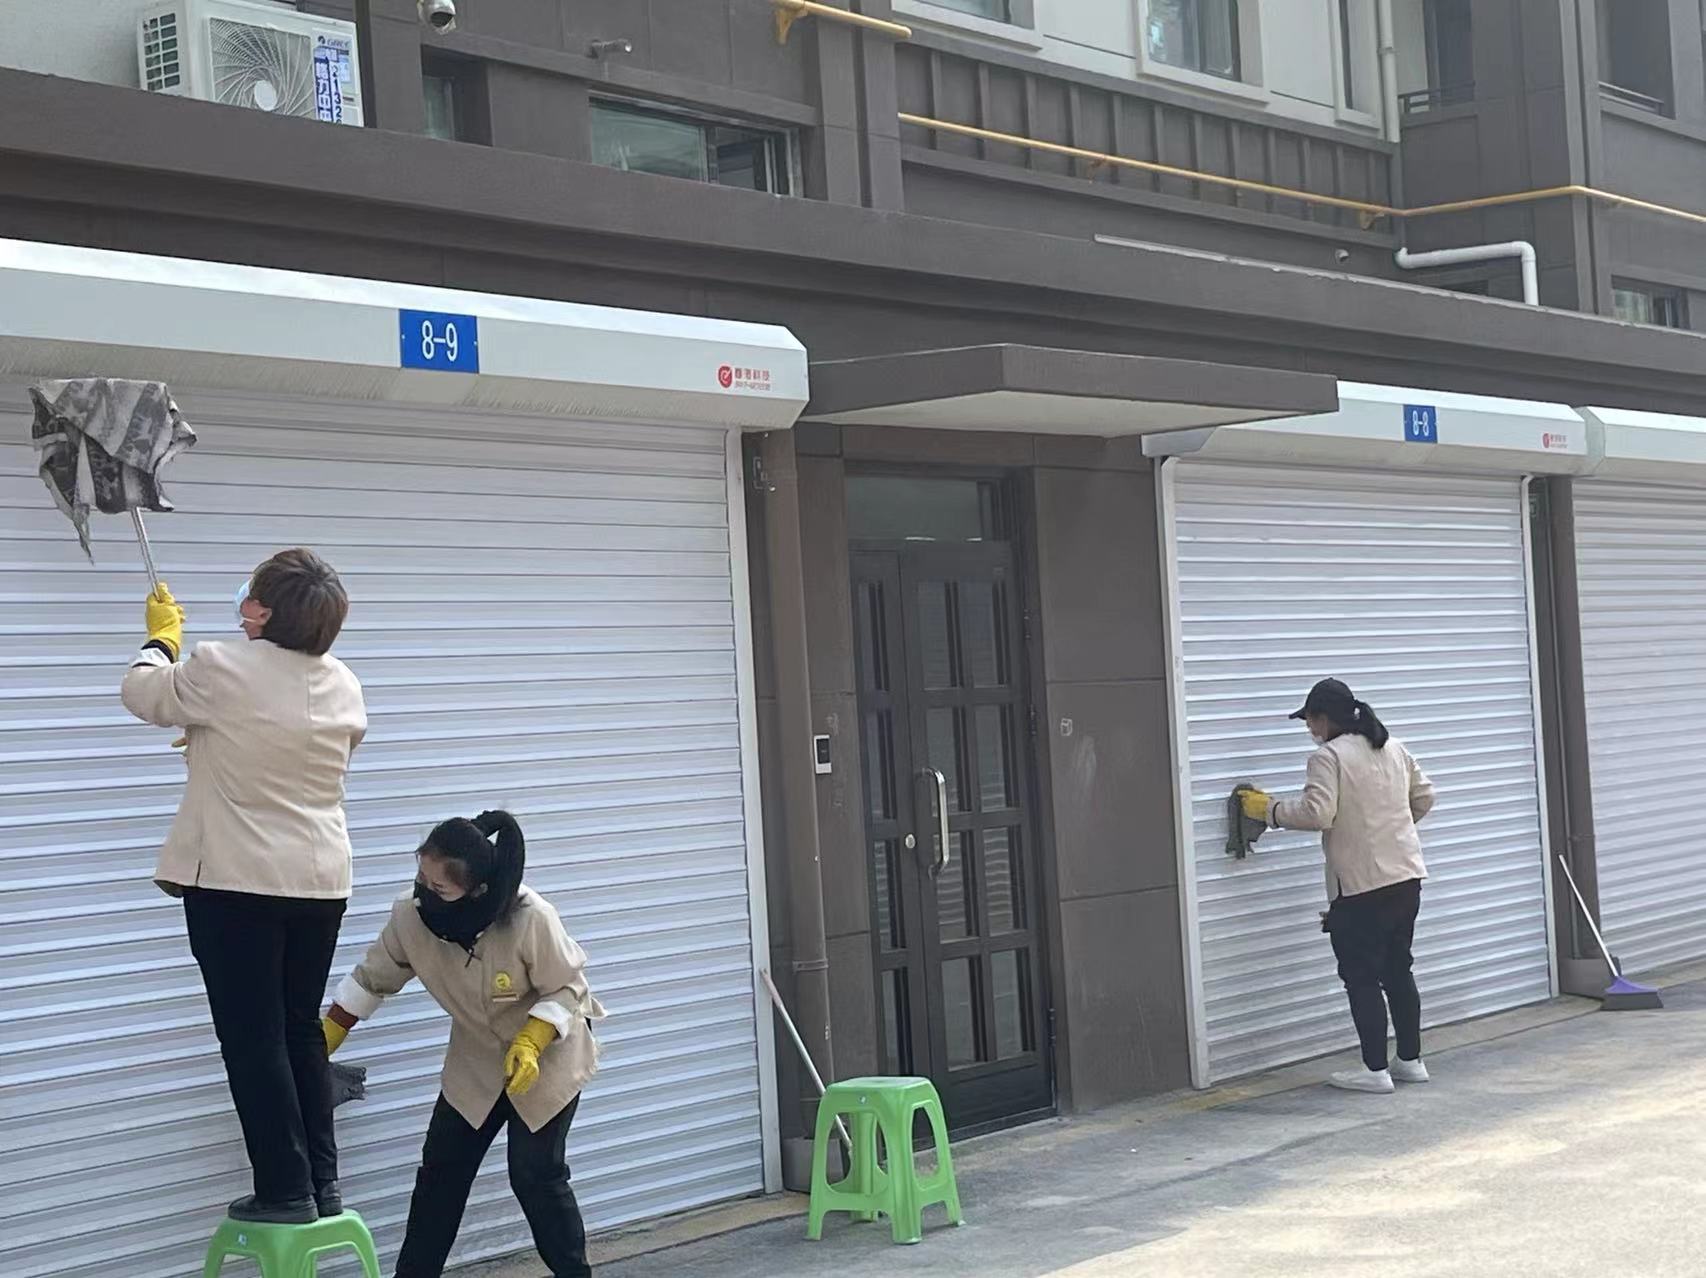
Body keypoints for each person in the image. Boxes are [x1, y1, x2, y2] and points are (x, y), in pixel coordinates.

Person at [121, 548, 366, 1222]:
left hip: (238, 882)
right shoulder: (344, 683)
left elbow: (142, 693)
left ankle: (284, 1191)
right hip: (321, 881)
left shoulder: (219, 666)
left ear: (260, 610)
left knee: (252, 1037)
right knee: (299, 1031)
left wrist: (160, 639)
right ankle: (321, 1183)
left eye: (251, 594)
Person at [323, 810, 604, 1278]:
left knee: (535, 1175)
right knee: (441, 1174)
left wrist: (532, 1040)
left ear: (477, 891)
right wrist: (324, 1041)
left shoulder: (529, 917)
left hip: (547, 1059)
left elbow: (567, 988)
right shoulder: (410, 917)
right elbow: (372, 979)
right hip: (475, 1063)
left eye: (439, 888)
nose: (423, 894)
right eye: (421, 878)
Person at [1241, 678, 1435, 1095]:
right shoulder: (1393, 747)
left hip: (1362, 887)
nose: (1309, 729)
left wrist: (1269, 810)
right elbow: (1424, 798)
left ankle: (1375, 1070)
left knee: (1361, 977)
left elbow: (1318, 813)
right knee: (1398, 970)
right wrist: (1387, 831)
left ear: (1324, 718)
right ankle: (1410, 1060)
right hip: (1406, 879)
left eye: (1310, 721)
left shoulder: (1327, 757)